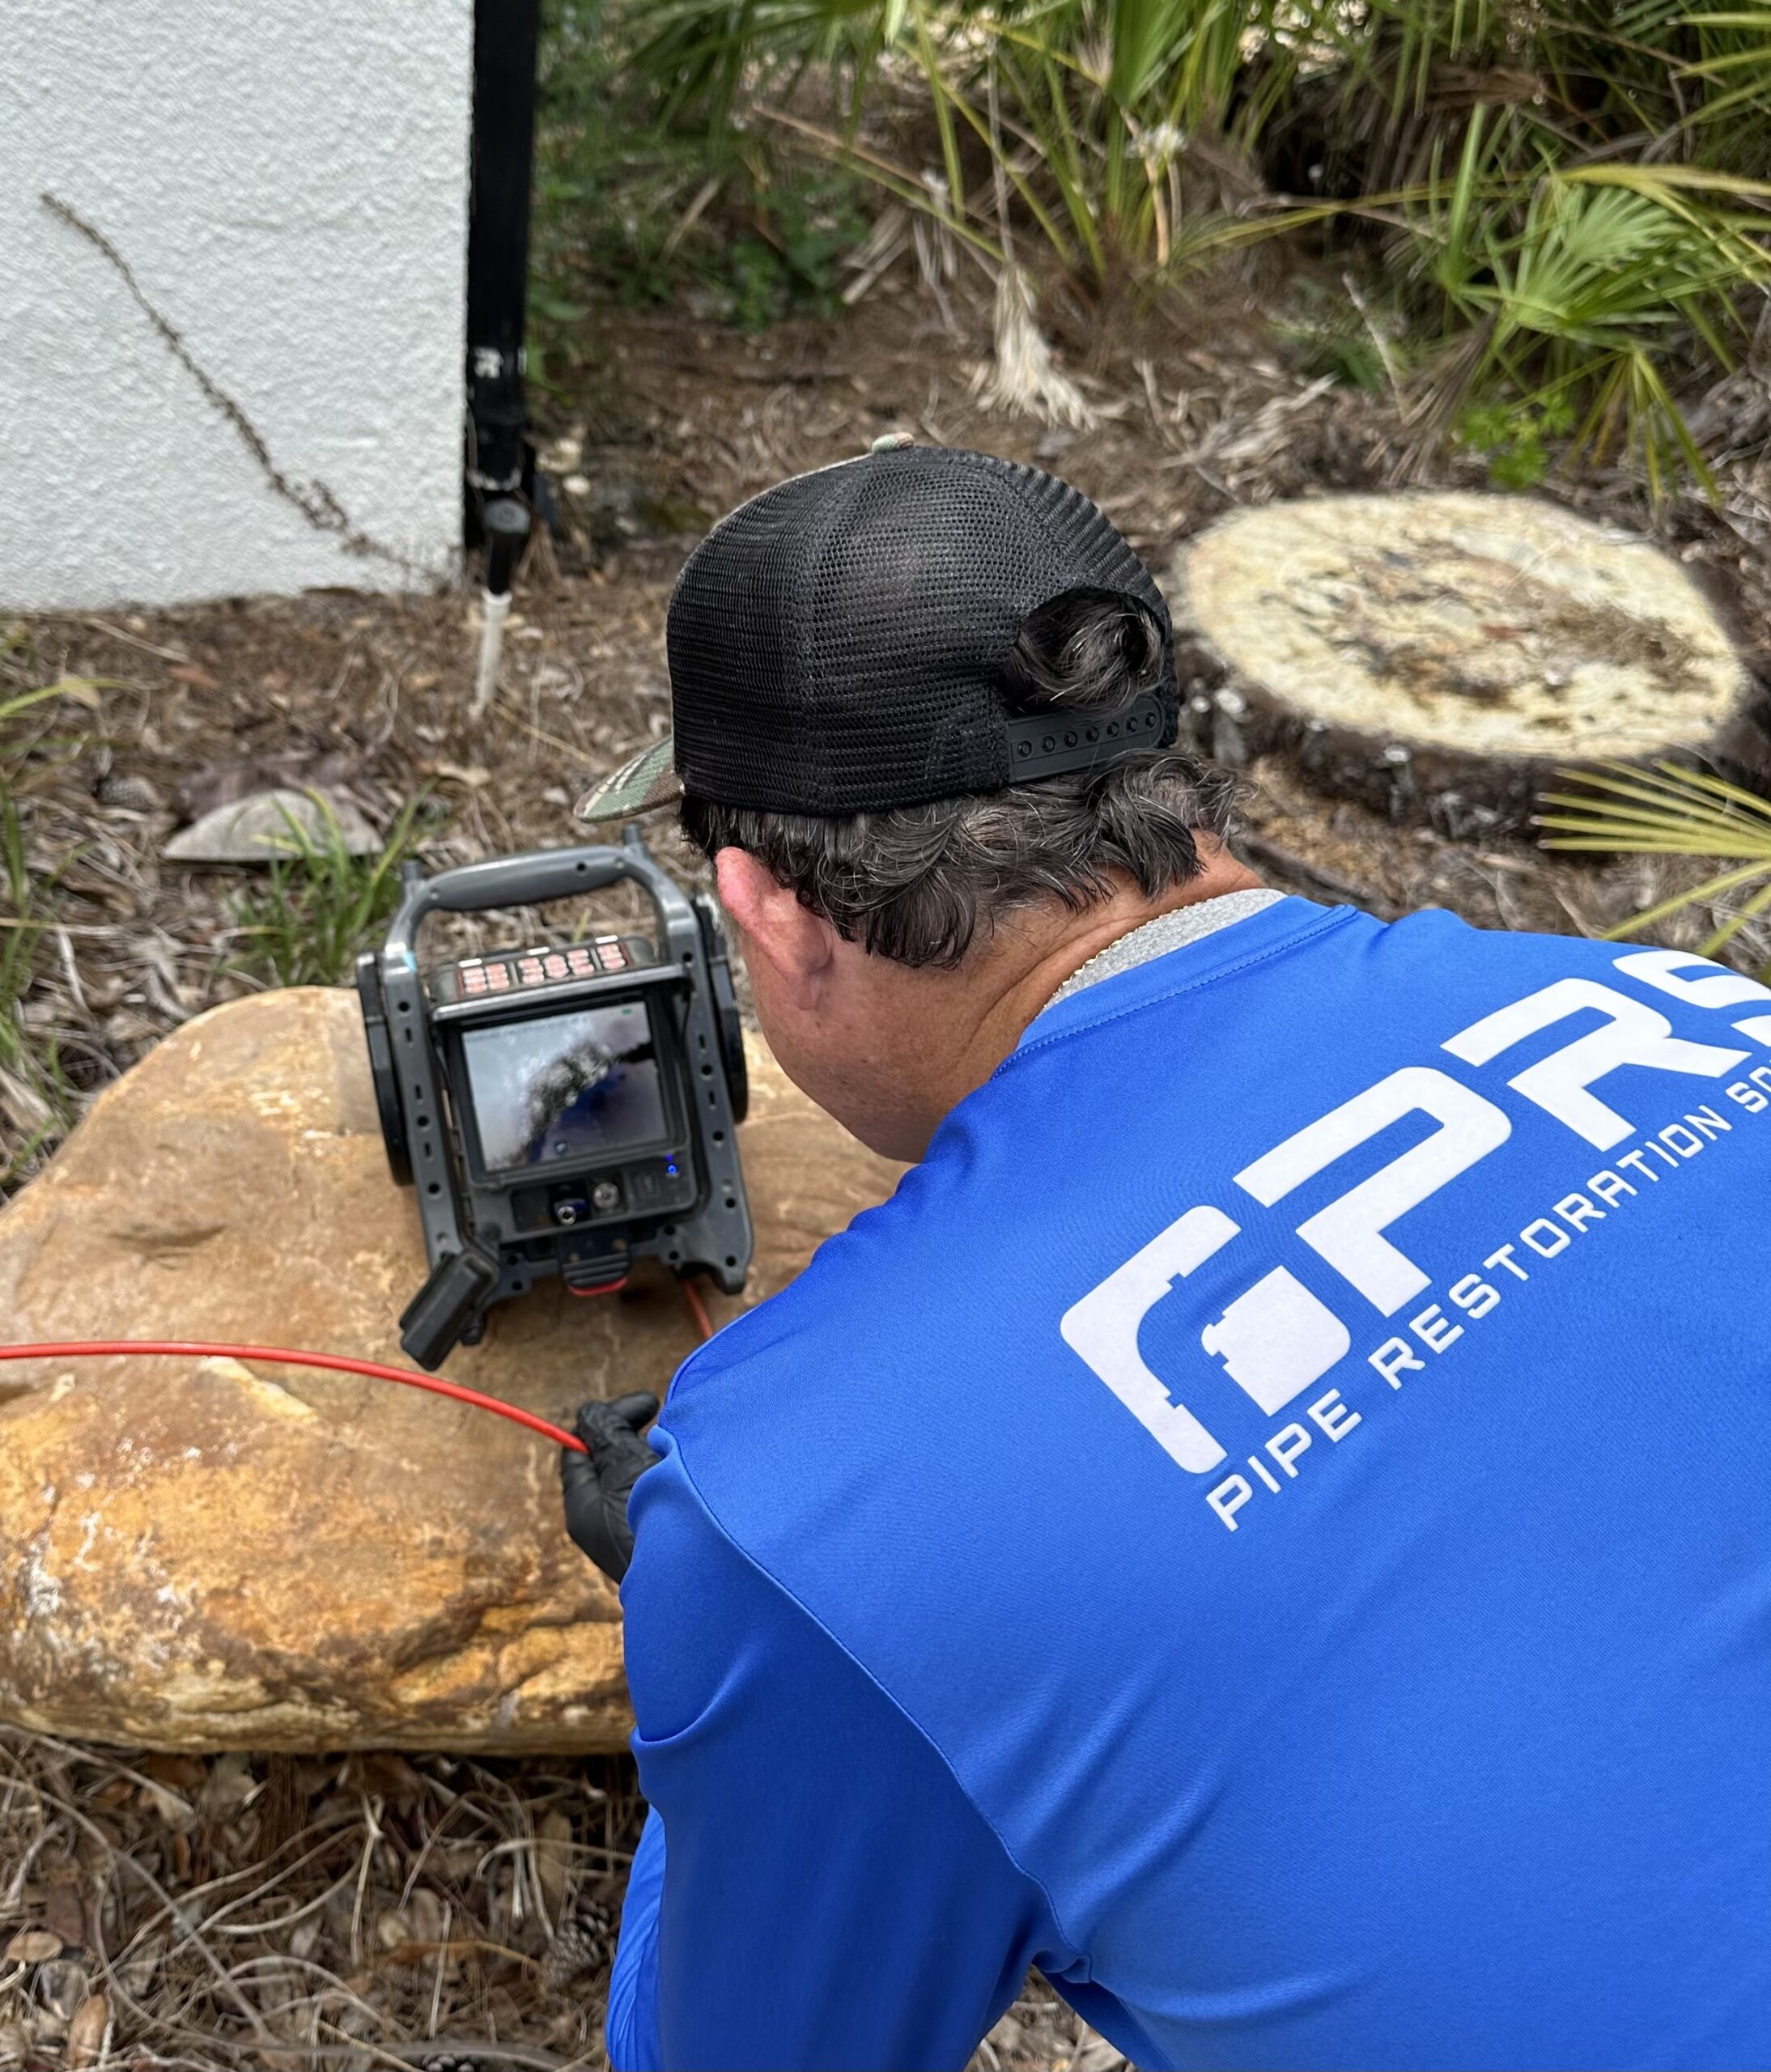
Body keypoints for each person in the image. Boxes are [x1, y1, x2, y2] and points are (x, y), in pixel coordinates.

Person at [558, 444, 1771, 2072]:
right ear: (1163, 775)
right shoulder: (1679, 1007)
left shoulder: (807, 1501)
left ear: (768, 914)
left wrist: (748, 1625)